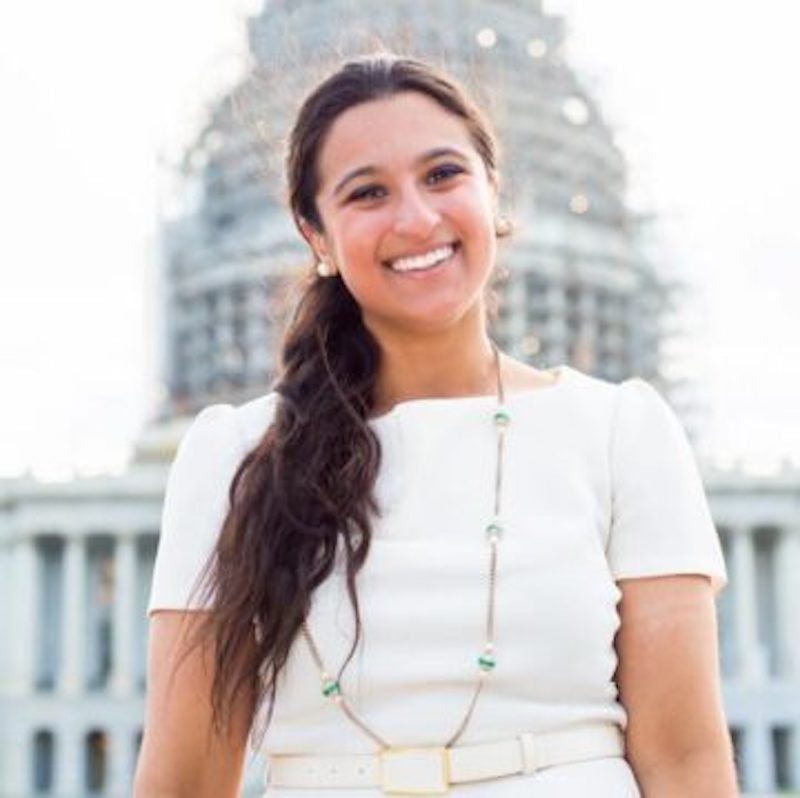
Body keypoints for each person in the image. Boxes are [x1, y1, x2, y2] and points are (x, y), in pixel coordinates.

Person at [134, 53, 739, 797]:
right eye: (367, 192)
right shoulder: (234, 454)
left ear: (494, 192)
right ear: (314, 235)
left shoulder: (621, 431)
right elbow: (184, 780)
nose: (416, 219)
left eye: (443, 175)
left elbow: (685, 762)